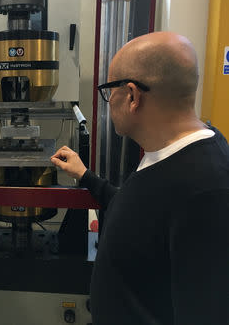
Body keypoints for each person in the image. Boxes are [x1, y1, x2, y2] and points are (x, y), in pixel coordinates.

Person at [51, 32, 229, 325]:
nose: (108, 102)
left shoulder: (208, 191)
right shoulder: (171, 157)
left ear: (132, 96)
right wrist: (86, 176)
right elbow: (143, 210)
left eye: (109, 92)